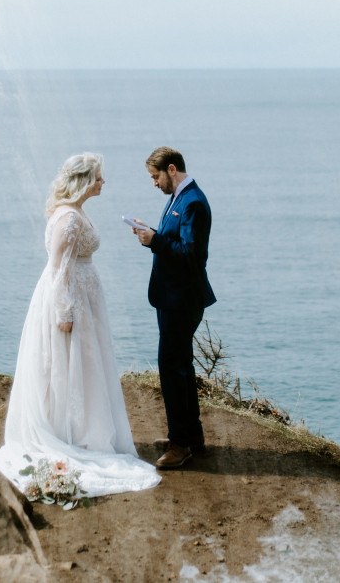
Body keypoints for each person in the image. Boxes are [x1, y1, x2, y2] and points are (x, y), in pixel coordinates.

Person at [0, 153, 160, 498]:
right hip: (70, 300)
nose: (103, 182)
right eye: (99, 177)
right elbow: (59, 271)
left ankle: (83, 428)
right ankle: (72, 433)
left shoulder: (76, 211)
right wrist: (64, 312)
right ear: (84, 181)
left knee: (85, 365)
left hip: (84, 296)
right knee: (71, 364)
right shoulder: (68, 218)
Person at [132, 146, 215, 470]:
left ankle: (181, 445)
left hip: (183, 298)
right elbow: (176, 241)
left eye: (155, 177)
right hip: (173, 297)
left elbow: (191, 255)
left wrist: (155, 240)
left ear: (171, 169)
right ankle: (189, 435)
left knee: (172, 368)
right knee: (180, 366)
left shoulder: (193, 201)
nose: (154, 184)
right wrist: (152, 233)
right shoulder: (181, 197)